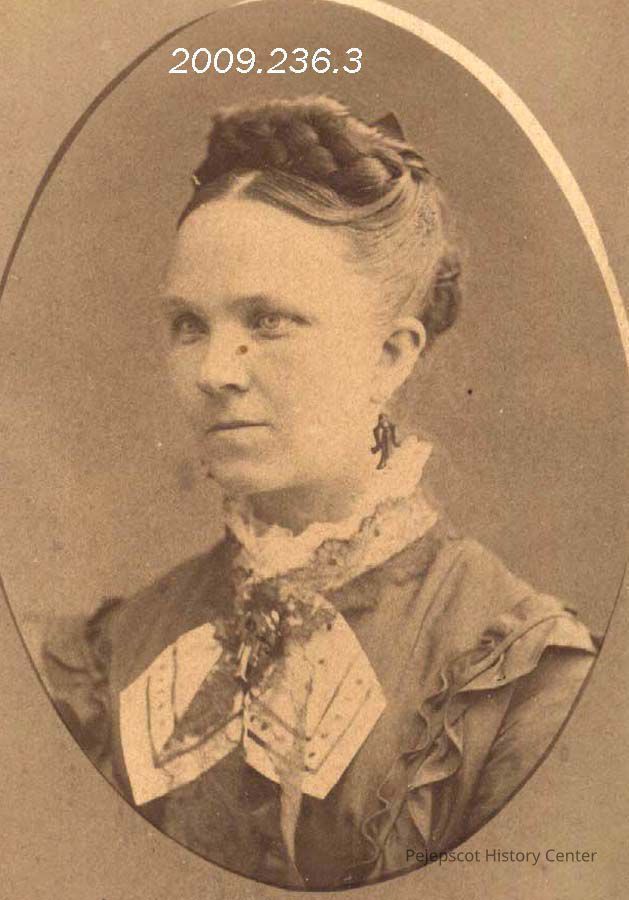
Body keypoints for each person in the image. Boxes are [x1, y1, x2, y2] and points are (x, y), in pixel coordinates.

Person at [41, 95, 598, 890]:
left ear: (391, 355)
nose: (215, 371)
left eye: (268, 321)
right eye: (189, 325)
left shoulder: (520, 679)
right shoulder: (115, 653)